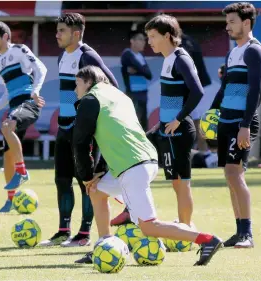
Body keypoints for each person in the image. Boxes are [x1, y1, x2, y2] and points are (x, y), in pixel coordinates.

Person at [72, 65, 223, 266]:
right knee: (97, 191)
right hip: (145, 160)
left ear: (89, 82)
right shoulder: (119, 96)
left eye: (77, 84)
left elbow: (81, 142)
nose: (75, 90)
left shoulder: (90, 100)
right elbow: (115, 134)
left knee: (149, 227)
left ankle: (207, 240)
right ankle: (104, 244)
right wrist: (97, 174)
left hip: (131, 167)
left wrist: (85, 176)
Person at [111, 15, 205, 232]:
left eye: (153, 36)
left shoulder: (181, 58)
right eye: (148, 36)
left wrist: (178, 119)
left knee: (182, 183)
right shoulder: (168, 58)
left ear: (168, 36)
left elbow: (197, 92)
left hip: (179, 130)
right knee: (172, 181)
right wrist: (161, 125)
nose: (149, 41)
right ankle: (134, 211)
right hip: (166, 129)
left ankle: (186, 228)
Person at [38, 13, 119, 248]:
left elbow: (111, 85)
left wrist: (94, 122)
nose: (57, 34)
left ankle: (83, 235)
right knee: (62, 180)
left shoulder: (87, 56)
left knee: (86, 181)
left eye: (61, 30)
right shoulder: (63, 56)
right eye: (57, 30)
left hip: (82, 131)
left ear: (76, 33)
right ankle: (63, 231)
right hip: (64, 128)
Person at [210, 2, 261, 248]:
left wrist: (245, 124)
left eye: (232, 22)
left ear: (246, 23)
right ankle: (238, 232)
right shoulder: (233, 52)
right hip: (225, 120)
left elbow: (256, 90)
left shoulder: (254, 51)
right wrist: (212, 114)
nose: (227, 27)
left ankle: (248, 234)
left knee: (235, 173)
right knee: (230, 175)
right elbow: (224, 88)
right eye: (227, 22)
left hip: (241, 122)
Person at [0, 21, 47, 212]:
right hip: (14, 108)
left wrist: (35, 91)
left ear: (5, 36)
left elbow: (41, 69)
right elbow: (7, 94)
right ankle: (10, 200)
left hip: (28, 103)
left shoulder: (19, 50)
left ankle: (22, 171)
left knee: (6, 126)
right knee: (7, 155)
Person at [180, 33, 214, 153]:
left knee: (198, 124)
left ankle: (206, 154)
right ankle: (204, 153)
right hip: (199, 87)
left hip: (198, 88)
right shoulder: (189, 40)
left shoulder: (183, 44)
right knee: (196, 123)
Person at [121, 30, 152, 130]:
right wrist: (141, 69)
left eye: (144, 40)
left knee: (143, 123)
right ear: (132, 41)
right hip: (133, 93)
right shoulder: (127, 54)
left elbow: (149, 74)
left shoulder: (141, 56)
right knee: (134, 121)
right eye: (140, 39)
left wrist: (138, 70)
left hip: (143, 93)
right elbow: (144, 70)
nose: (144, 42)